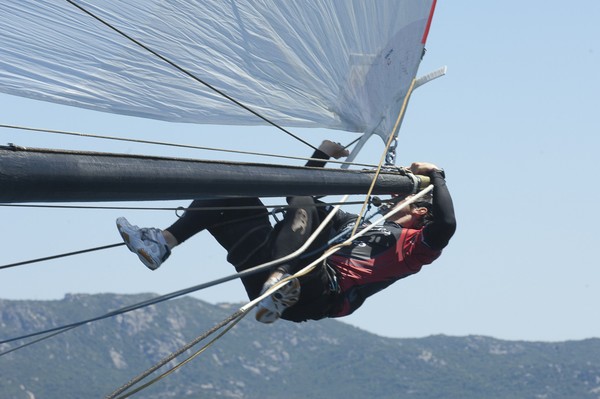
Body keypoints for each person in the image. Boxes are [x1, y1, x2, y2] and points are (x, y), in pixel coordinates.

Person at [116, 141, 456, 324]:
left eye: (401, 197)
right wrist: (321, 155)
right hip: (275, 277)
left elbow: (447, 226)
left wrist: (437, 175)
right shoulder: (350, 224)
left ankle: (280, 281)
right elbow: (299, 195)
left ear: (420, 210)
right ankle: (163, 242)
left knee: (305, 234)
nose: (391, 199)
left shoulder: (412, 250)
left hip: (315, 293)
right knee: (229, 189)